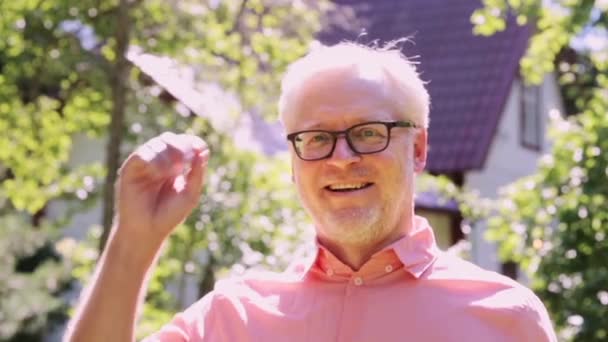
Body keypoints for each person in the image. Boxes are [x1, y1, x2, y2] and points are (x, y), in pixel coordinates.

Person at [65, 42, 557, 342]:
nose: (341, 157)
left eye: (368, 132)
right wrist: (134, 240)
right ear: (295, 162)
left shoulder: (505, 318)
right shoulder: (231, 318)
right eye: (317, 138)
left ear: (419, 147)